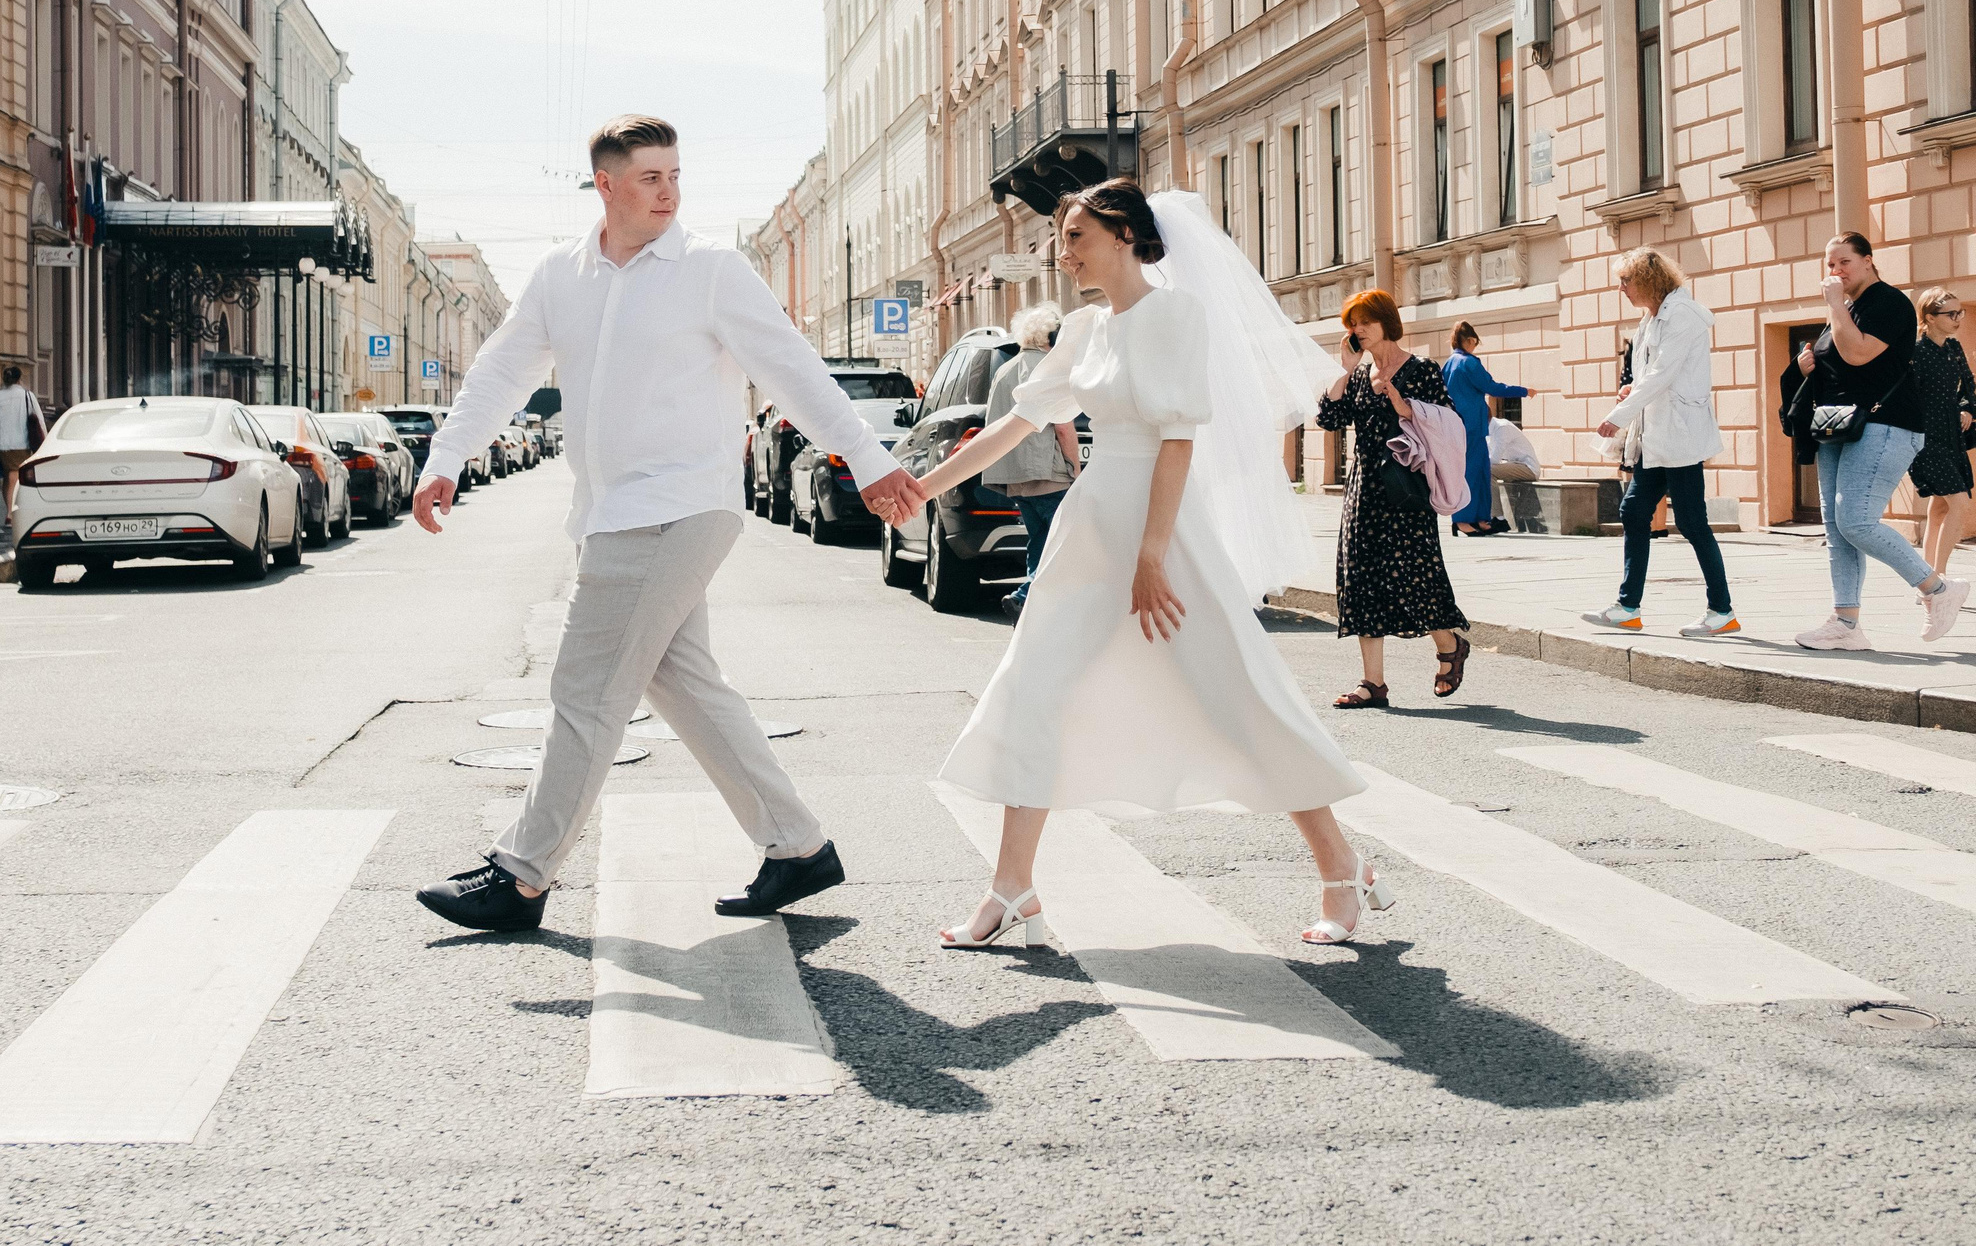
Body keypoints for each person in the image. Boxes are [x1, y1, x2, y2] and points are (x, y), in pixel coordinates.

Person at [408, 116, 922, 933]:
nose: (669, 191)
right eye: (650, 177)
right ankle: (797, 848)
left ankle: (523, 875)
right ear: (605, 185)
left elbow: (789, 367)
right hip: (612, 512)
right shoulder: (560, 275)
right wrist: (447, 456)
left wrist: (866, 457)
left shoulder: (712, 268)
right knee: (682, 681)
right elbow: (503, 370)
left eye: (676, 175)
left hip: (675, 506)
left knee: (584, 689)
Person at [911, 181, 1388, 949]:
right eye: (1062, 239)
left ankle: (1339, 865)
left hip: (1161, 531)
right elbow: (1018, 423)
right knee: (1033, 690)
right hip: (1093, 525)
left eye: (1077, 237)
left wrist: (1152, 556)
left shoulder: (1175, 315)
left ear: (1127, 234)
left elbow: (1176, 440)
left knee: (1232, 695)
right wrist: (920, 490)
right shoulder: (1081, 329)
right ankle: (1011, 890)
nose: (1063, 254)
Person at [1791, 231, 1970, 648]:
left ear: (1868, 261)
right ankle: (1846, 624)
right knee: (1837, 529)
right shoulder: (1849, 306)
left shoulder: (1889, 303)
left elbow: (1857, 354)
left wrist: (1835, 304)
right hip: (1839, 426)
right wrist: (1807, 367)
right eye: (1829, 265)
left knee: (1856, 520)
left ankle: (1938, 590)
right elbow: (1839, 366)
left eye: (1844, 263)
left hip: (1886, 425)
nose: (1835, 272)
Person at [1317, 290, 1473, 707]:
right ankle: (1373, 684)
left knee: (1416, 577)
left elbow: (1448, 423)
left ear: (1386, 321)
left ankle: (1449, 646)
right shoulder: (1359, 372)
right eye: (1352, 323)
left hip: (1404, 491)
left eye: (1365, 320)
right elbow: (1328, 418)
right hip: (1364, 490)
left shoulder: (1421, 368)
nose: (1358, 329)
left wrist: (1400, 403)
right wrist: (1345, 370)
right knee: (1362, 580)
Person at [1580, 249, 1737, 637]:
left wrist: (1618, 418)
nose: (1621, 289)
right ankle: (1628, 606)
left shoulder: (1681, 315)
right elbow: (1650, 375)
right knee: (1634, 512)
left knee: (1691, 522)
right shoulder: (1650, 319)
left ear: (1648, 281)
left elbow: (1663, 376)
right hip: (1657, 437)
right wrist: (1630, 390)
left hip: (1679, 435)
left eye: (1626, 281)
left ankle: (1722, 611)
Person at [983, 301, 1083, 613]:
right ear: (1049, 337)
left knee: (1039, 541)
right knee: (1064, 543)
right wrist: (1076, 470)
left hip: (1015, 479)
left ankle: (1031, 609)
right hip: (1049, 475)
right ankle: (1026, 596)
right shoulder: (1048, 370)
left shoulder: (1004, 370)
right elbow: (1064, 428)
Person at [1907, 287, 1976, 578]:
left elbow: (1968, 385)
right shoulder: (1916, 352)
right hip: (1925, 440)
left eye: (1959, 312)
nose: (1958, 318)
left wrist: (1967, 409)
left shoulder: (1953, 348)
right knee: (1958, 505)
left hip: (1952, 437)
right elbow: (1906, 398)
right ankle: (1939, 579)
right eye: (1951, 314)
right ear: (1930, 317)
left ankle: (1926, 579)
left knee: (1939, 510)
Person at [1440, 321, 1530, 536]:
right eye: (1474, 343)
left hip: (1460, 424)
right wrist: (1523, 391)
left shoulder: (1449, 364)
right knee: (1472, 472)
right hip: (1470, 424)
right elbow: (1490, 387)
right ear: (1470, 340)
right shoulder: (1468, 362)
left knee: (1480, 471)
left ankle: (1480, 518)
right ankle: (1463, 519)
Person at [0, 363, 48, 531]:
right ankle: (10, 514)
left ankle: (10, 510)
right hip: (21, 442)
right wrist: (45, 440)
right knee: (14, 476)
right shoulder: (27, 395)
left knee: (9, 477)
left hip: (1, 444)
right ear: (20, 379)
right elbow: (39, 419)